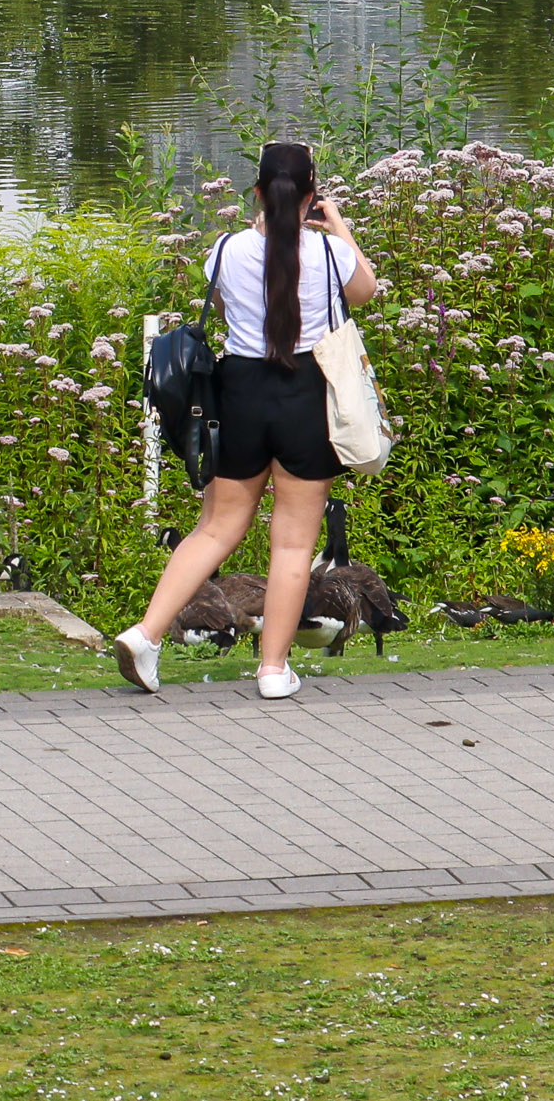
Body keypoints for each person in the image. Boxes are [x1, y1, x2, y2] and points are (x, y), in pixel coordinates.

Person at [112, 143, 381, 702]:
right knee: (290, 545)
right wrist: (339, 228)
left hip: (240, 394)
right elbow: (365, 292)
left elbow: (230, 310)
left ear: (257, 192)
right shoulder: (331, 254)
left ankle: (145, 634)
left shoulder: (227, 248)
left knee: (215, 528)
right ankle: (273, 671)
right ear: (311, 197)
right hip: (307, 396)